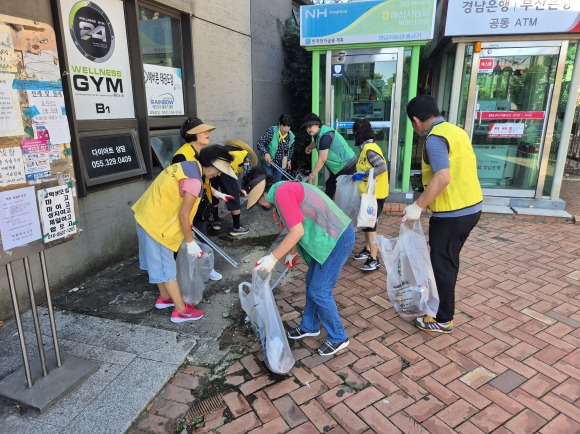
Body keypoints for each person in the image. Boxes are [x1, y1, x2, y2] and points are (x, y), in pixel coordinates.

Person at [243, 167, 354, 356]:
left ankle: (339, 337)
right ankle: (310, 325)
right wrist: (291, 254)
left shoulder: (282, 193)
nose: (259, 205)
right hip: (329, 239)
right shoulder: (283, 189)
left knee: (319, 290)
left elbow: (297, 232)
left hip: (336, 240)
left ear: (262, 193)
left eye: (257, 200)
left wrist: (272, 259)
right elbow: (298, 225)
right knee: (312, 283)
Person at [403, 94, 482, 334]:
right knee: (448, 261)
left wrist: (417, 206)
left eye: (412, 123)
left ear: (416, 120)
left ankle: (443, 318)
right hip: (472, 208)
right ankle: (441, 307)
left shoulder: (434, 139)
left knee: (443, 266)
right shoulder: (456, 131)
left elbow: (443, 177)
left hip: (452, 214)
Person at [132, 145, 235, 323]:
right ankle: (180, 311)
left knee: (158, 264)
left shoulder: (190, 166)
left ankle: (165, 298)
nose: (219, 175)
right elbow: (183, 214)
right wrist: (190, 243)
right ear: (211, 164)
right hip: (158, 226)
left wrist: (217, 193)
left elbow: (191, 187)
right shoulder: (194, 180)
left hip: (145, 216)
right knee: (167, 268)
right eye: (219, 170)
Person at [173, 118, 250, 240]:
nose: (207, 134)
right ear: (192, 134)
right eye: (203, 131)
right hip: (186, 211)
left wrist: (216, 193)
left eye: (207, 131)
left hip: (198, 208)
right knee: (191, 247)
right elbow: (183, 187)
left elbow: (202, 182)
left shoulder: (200, 153)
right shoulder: (182, 156)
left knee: (203, 245)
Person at [351, 118, 389, 272]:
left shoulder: (369, 149)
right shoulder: (366, 148)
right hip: (369, 193)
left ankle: (374, 258)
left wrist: (363, 174)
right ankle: (367, 249)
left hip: (375, 195)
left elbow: (382, 167)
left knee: (371, 224)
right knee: (367, 223)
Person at [302, 113, 357, 199]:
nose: (308, 129)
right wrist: (309, 148)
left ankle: (335, 210)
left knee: (345, 194)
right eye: (306, 127)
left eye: (310, 126)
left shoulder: (325, 137)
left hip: (347, 166)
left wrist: (312, 175)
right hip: (340, 167)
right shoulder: (319, 135)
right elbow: (315, 143)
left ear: (317, 124)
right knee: (330, 186)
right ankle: (329, 209)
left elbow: (322, 159)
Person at [256, 114, 295, 181]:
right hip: (268, 163)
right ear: (279, 124)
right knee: (269, 182)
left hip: (280, 164)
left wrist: (289, 160)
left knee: (277, 182)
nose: (286, 129)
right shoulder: (271, 132)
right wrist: (265, 153)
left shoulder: (290, 135)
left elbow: (291, 148)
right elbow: (260, 143)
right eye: (284, 126)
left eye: (288, 126)